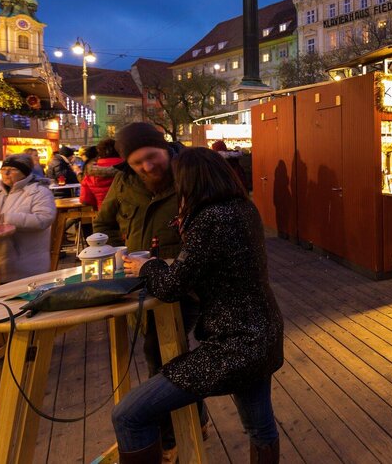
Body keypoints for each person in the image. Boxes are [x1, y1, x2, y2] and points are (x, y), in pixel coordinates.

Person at [115, 147, 283, 463]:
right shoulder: (242, 208)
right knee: (260, 428)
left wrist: (147, 267)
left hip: (234, 346)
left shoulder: (210, 219)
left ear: (189, 182)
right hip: (263, 334)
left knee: (128, 414)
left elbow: (171, 287)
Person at [94, 122, 190, 455]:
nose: (148, 167)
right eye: (138, 163)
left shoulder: (189, 174)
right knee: (159, 353)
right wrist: (115, 249)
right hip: (138, 284)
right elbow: (103, 223)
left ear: (164, 148)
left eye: (151, 157)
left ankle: (171, 437)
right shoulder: (123, 182)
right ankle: (189, 423)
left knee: (160, 353)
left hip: (184, 282)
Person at [0, 154, 56, 283]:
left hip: (26, 265)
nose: (6, 173)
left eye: (13, 169)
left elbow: (43, 219)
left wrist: (3, 218)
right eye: (3, 169)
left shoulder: (39, 192)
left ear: (25, 173)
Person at [80, 138, 122, 209]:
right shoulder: (130, 167)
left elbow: (85, 200)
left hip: (104, 214)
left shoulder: (90, 172)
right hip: (130, 214)